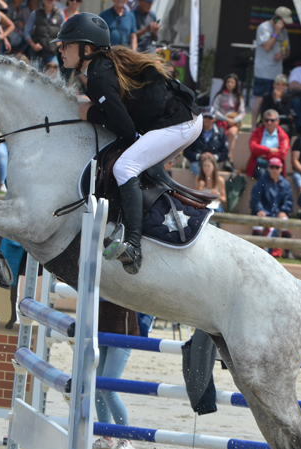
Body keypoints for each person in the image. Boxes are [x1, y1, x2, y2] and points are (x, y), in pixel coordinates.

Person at [59, 12, 201, 274]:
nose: (61, 49)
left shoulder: (99, 76)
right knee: (133, 159)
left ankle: (134, 246)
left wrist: (89, 113)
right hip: (180, 118)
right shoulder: (99, 69)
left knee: (124, 167)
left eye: (66, 44)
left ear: (87, 49)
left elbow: (125, 129)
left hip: (179, 123)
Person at [91, 301, 137, 449]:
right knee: (98, 389)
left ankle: (126, 439)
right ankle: (106, 437)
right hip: (102, 327)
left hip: (122, 331)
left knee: (108, 389)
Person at [251, 6, 291, 127]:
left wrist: (282, 54)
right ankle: (253, 126)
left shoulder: (284, 31)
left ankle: (271, 123)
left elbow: (288, 51)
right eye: (283, 22)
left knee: (275, 97)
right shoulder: (264, 28)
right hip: (263, 70)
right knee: (261, 98)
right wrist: (276, 32)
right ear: (276, 19)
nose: (283, 25)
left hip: (276, 71)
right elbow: (267, 47)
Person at [250, 156, 292, 256]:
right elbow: (256, 198)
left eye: (276, 167)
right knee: (258, 223)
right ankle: (254, 251)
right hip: (264, 212)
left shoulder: (285, 184)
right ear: (269, 168)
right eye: (272, 167)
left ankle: (288, 252)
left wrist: (283, 211)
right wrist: (259, 209)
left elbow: (288, 201)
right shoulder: (261, 181)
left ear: (281, 169)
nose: (274, 170)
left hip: (278, 213)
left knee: (285, 222)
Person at [210, 73, 245, 165]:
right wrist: (225, 119)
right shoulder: (219, 96)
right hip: (221, 122)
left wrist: (234, 120)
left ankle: (229, 157)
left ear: (236, 84)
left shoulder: (238, 98)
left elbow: (242, 112)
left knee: (232, 133)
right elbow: (215, 110)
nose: (230, 84)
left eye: (232, 82)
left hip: (233, 123)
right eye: (228, 82)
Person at [183, 107, 228, 175]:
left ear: (214, 119)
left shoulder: (220, 133)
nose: (207, 119)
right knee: (197, 168)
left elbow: (225, 152)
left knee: (210, 168)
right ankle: (204, 182)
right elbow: (186, 151)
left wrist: (213, 157)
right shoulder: (195, 132)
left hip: (214, 163)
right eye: (205, 117)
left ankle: (204, 183)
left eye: (210, 117)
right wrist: (199, 156)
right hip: (196, 162)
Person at [247, 108, 289, 178]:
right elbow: (253, 148)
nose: (269, 122)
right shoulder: (257, 132)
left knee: (274, 175)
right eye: (266, 120)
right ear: (263, 121)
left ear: (278, 121)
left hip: (276, 165)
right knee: (263, 176)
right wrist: (269, 150)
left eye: (272, 120)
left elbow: (282, 154)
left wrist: (264, 155)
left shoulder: (283, 135)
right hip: (259, 164)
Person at [26, 0, 66, 66]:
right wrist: (33, 45)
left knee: (55, 75)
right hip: (37, 53)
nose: (49, 1)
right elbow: (26, 32)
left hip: (52, 53)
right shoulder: (35, 13)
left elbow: (64, 33)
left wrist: (57, 44)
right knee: (35, 74)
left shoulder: (60, 14)